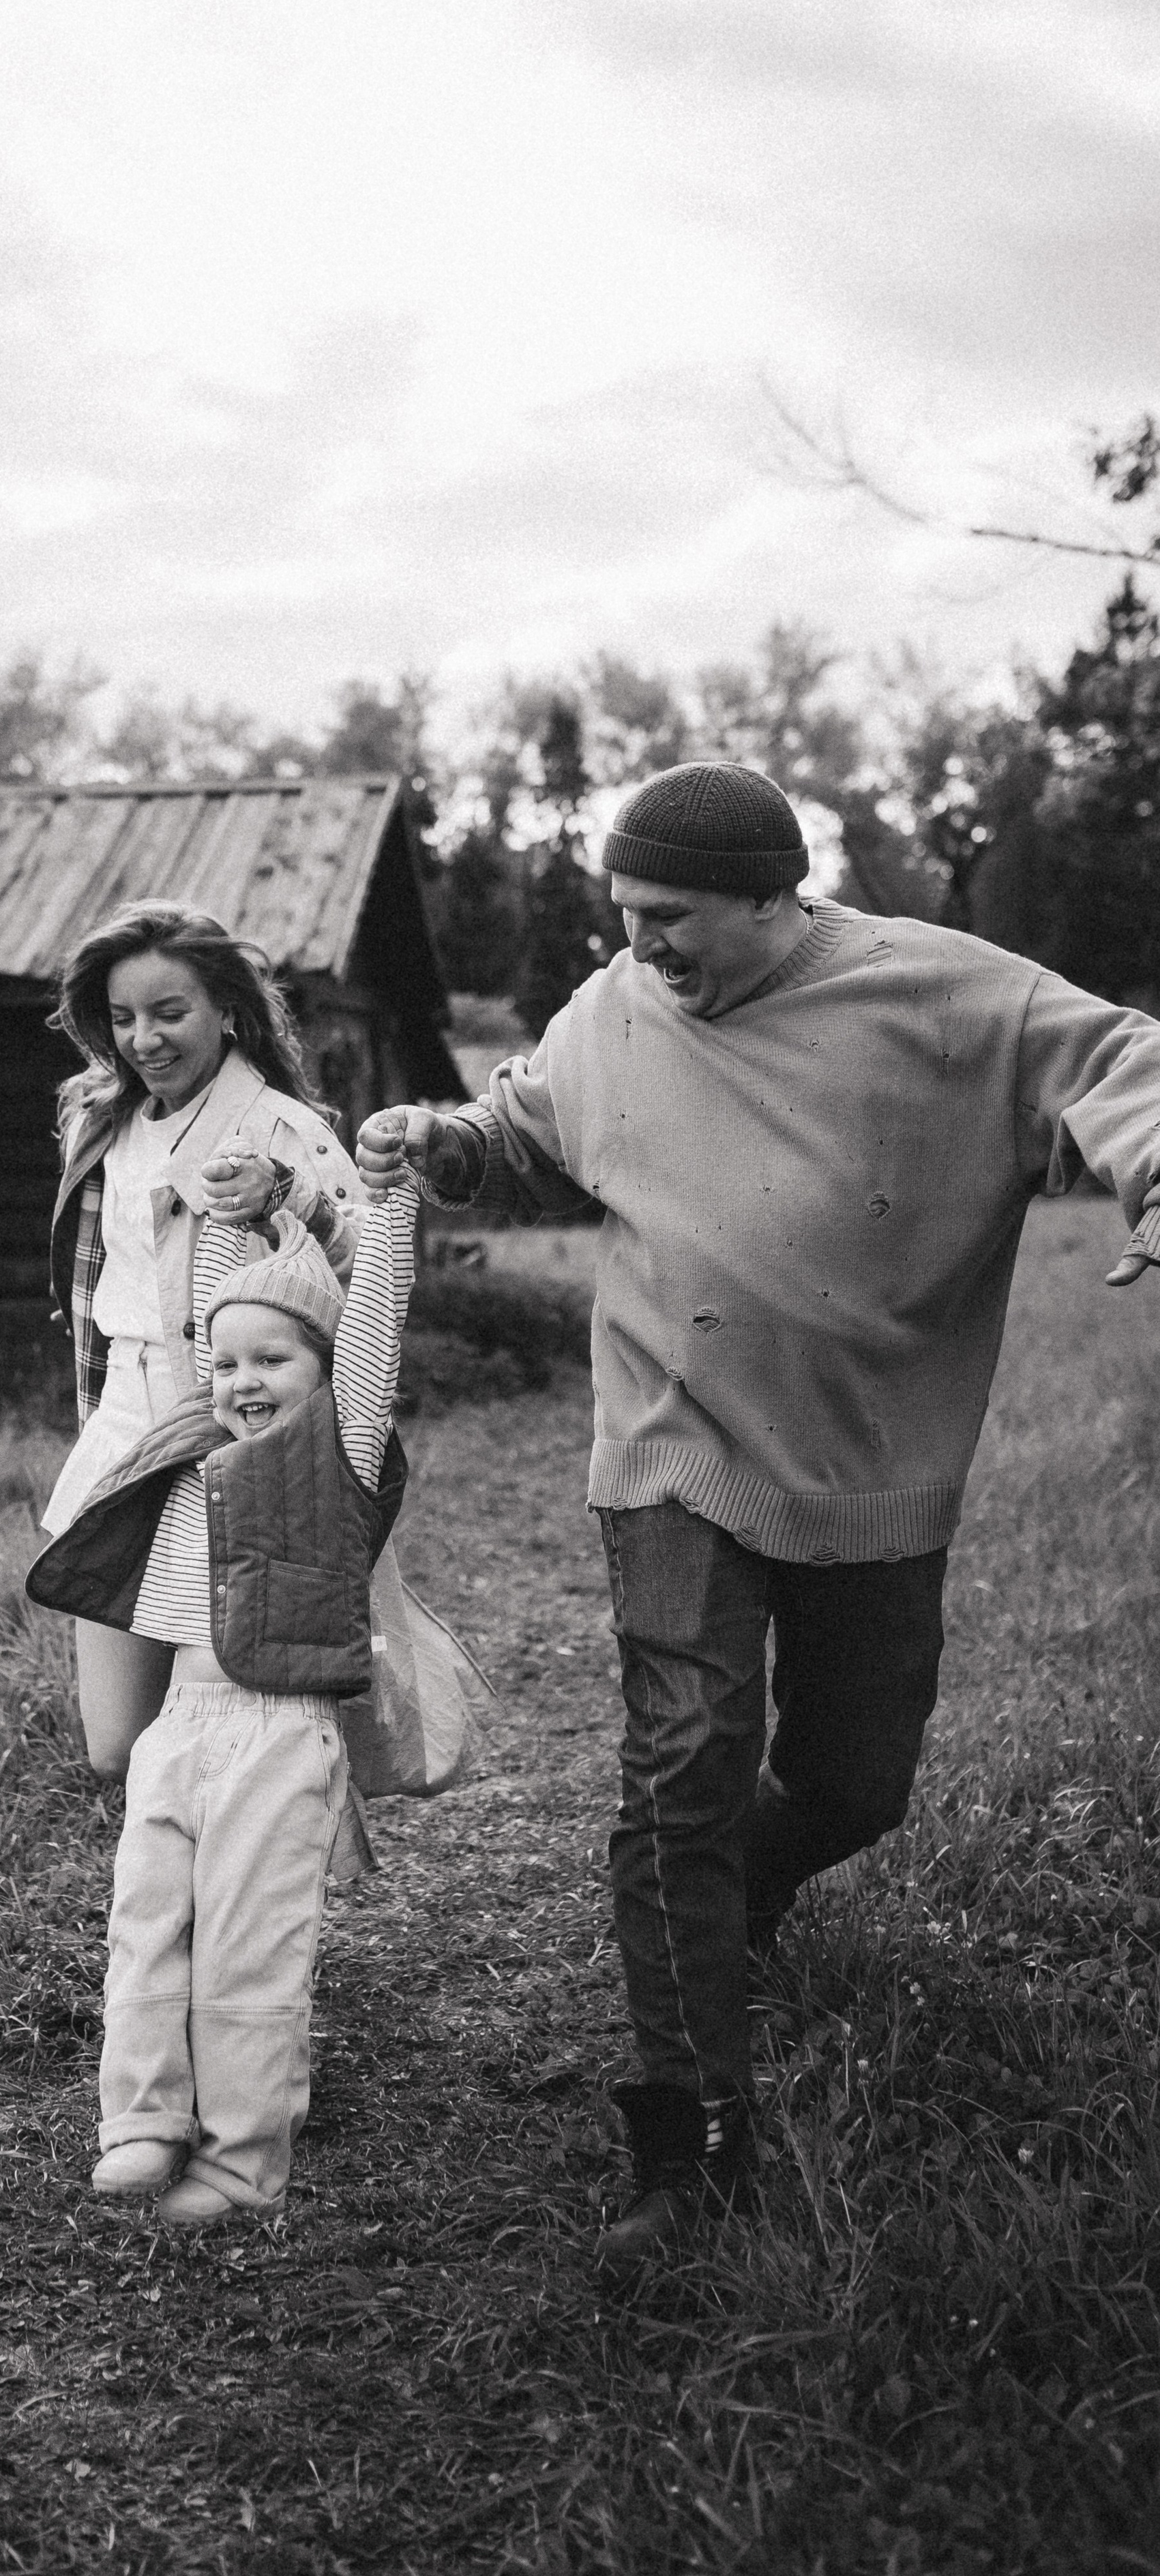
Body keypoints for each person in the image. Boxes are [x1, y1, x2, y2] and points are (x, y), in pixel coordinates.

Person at [356, 760, 1160, 2271]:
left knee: (855, 1784)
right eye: (624, 915)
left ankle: (751, 1889)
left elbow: (1124, 1057)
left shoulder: (937, 990)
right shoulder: (615, 1007)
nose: (639, 945)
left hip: (872, 1459)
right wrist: (438, 1141)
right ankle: (690, 2145)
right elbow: (523, 1124)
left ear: (770, 894)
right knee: (680, 1764)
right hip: (670, 1438)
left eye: (668, 917)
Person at [27, 1180, 419, 2225]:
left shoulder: (344, 1451)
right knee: (147, 1922)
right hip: (180, 1729)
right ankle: (145, 2119)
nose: (244, 1380)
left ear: (330, 1373)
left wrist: (393, 1199)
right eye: (230, 1361)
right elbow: (210, 1300)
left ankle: (246, 2160)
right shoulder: (198, 1449)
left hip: (277, 1735)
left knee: (250, 1943)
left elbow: (376, 1311)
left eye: (275, 1361)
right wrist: (227, 1207)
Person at [44, 899, 366, 1780]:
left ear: (227, 1009)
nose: (143, 1039)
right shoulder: (99, 1120)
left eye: (168, 1012)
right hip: (119, 1427)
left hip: (230, 1438)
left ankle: (214, 1900)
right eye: (121, 1019)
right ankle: (175, 1884)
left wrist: (289, 1196)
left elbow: (368, 1269)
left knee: (218, 1729)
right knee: (116, 1744)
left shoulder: (279, 1129)